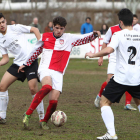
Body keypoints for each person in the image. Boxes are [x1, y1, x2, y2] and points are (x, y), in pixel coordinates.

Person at [18, 16, 100, 130]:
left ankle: (44, 121)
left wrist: (94, 35)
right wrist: (26, 64)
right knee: (47, 87)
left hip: (58, 72)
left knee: (54, 101)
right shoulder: (45, 36)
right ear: (53, 27)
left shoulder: (69, 38)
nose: (59, 31)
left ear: (64, 28)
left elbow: (83, 38)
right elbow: (35, 51)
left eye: (61, 28)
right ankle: (27, 114)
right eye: (56, 28)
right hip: (45, 68)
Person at [85, 8, 140, 139]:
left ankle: (111, 133)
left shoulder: (118, 35)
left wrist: (93, 54)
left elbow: (108, 49)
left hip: (121, 78)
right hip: (136, 78)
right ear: (132, 21)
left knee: (104, 102)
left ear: (120, 22)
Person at [0, 13, 44, 124]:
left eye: (3, 22)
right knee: (2, 86)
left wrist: (41, 45)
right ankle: (2, 116)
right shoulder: (0, 39)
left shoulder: (14, 28)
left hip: (30, 61)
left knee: (33, 88)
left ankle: (42, 117)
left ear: (5, 21)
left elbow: (34, 29)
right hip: (17, 64)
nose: (1, 25)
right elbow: (5, 58)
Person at [94, 22, 136, 111]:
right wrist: (101, 57)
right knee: (110, 80)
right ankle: (99, 95)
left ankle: (127, 104)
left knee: (129, 78)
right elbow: (105, 43)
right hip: (114, 57)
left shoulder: (133, 30)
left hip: (125, 58)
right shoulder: (112, 29)